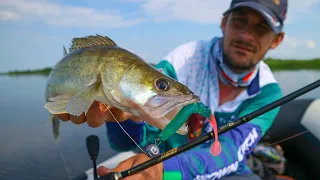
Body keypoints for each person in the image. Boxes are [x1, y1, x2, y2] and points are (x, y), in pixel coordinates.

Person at [59, 0, 289, 179]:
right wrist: (127, 117)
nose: (245, 35)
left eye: (261, 28)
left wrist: (163, 172)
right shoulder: (182, 61)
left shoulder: (268, 92)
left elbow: (230, 153)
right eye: (239, 21)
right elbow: (129, 143)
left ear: (277, 40)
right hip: (161, 163)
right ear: (224, 22)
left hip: (217, 172)